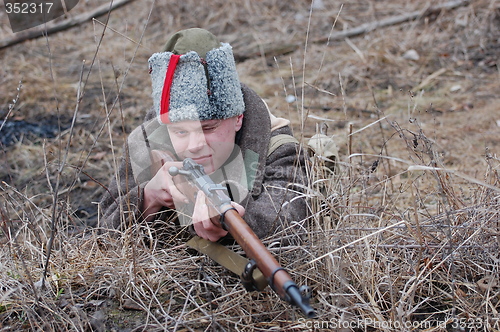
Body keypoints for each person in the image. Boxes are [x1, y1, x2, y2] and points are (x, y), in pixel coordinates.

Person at [99, 28, 308, 242]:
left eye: (208, 128)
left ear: (238, 118)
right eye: (180, 131)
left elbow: (289, 221)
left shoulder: (279, 148)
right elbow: (103, 231)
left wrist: (228, 220)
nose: (195, 145)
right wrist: (147, 198)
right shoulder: (147, 140)